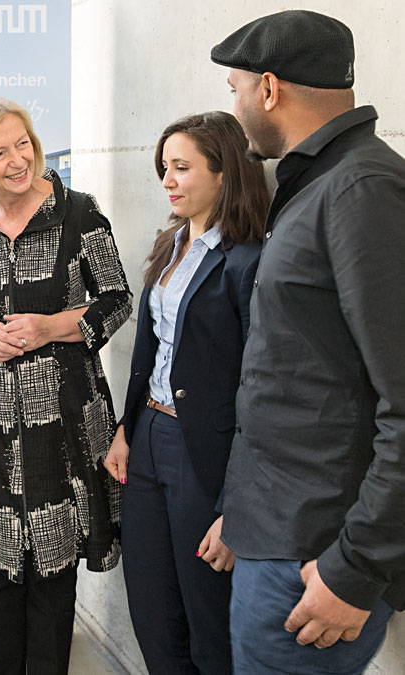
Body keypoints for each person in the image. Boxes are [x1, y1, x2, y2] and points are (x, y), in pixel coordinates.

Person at [210, 10, 405, 673]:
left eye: (235, 89)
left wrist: (356, 568)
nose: (234, 110)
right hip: (281, 541)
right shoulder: (317, 183)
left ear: (269, 89)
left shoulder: (361, 189)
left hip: (314, 563)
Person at [0, 98, 131, 675]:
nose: (18, 160)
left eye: (23, 143)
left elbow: (116, 301)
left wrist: (52, 326)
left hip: (61, 421)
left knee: (52, 573)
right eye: (0, 151)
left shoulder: (78, 213)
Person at [103, 111, 269, 673]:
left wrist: (234, 509)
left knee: (206, 621)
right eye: (163, 168)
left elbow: (260, 393)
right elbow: (148, 352)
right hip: (148, 439)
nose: (167, 180)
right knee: (152, 611)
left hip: (205, 456)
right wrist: (126, 428)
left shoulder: (249, 261)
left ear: (223, 174)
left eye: (181, 168)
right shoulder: (170, 244)